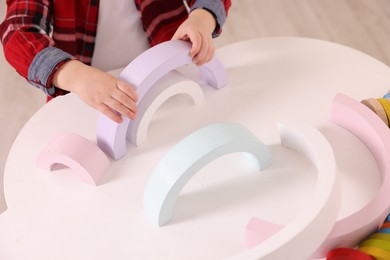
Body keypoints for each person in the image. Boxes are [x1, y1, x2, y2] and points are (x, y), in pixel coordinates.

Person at [0, 0, 231, 123]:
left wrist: (202, 17)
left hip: (169, 78)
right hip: (87, 97)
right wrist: (75, 75)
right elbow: (18, 33)